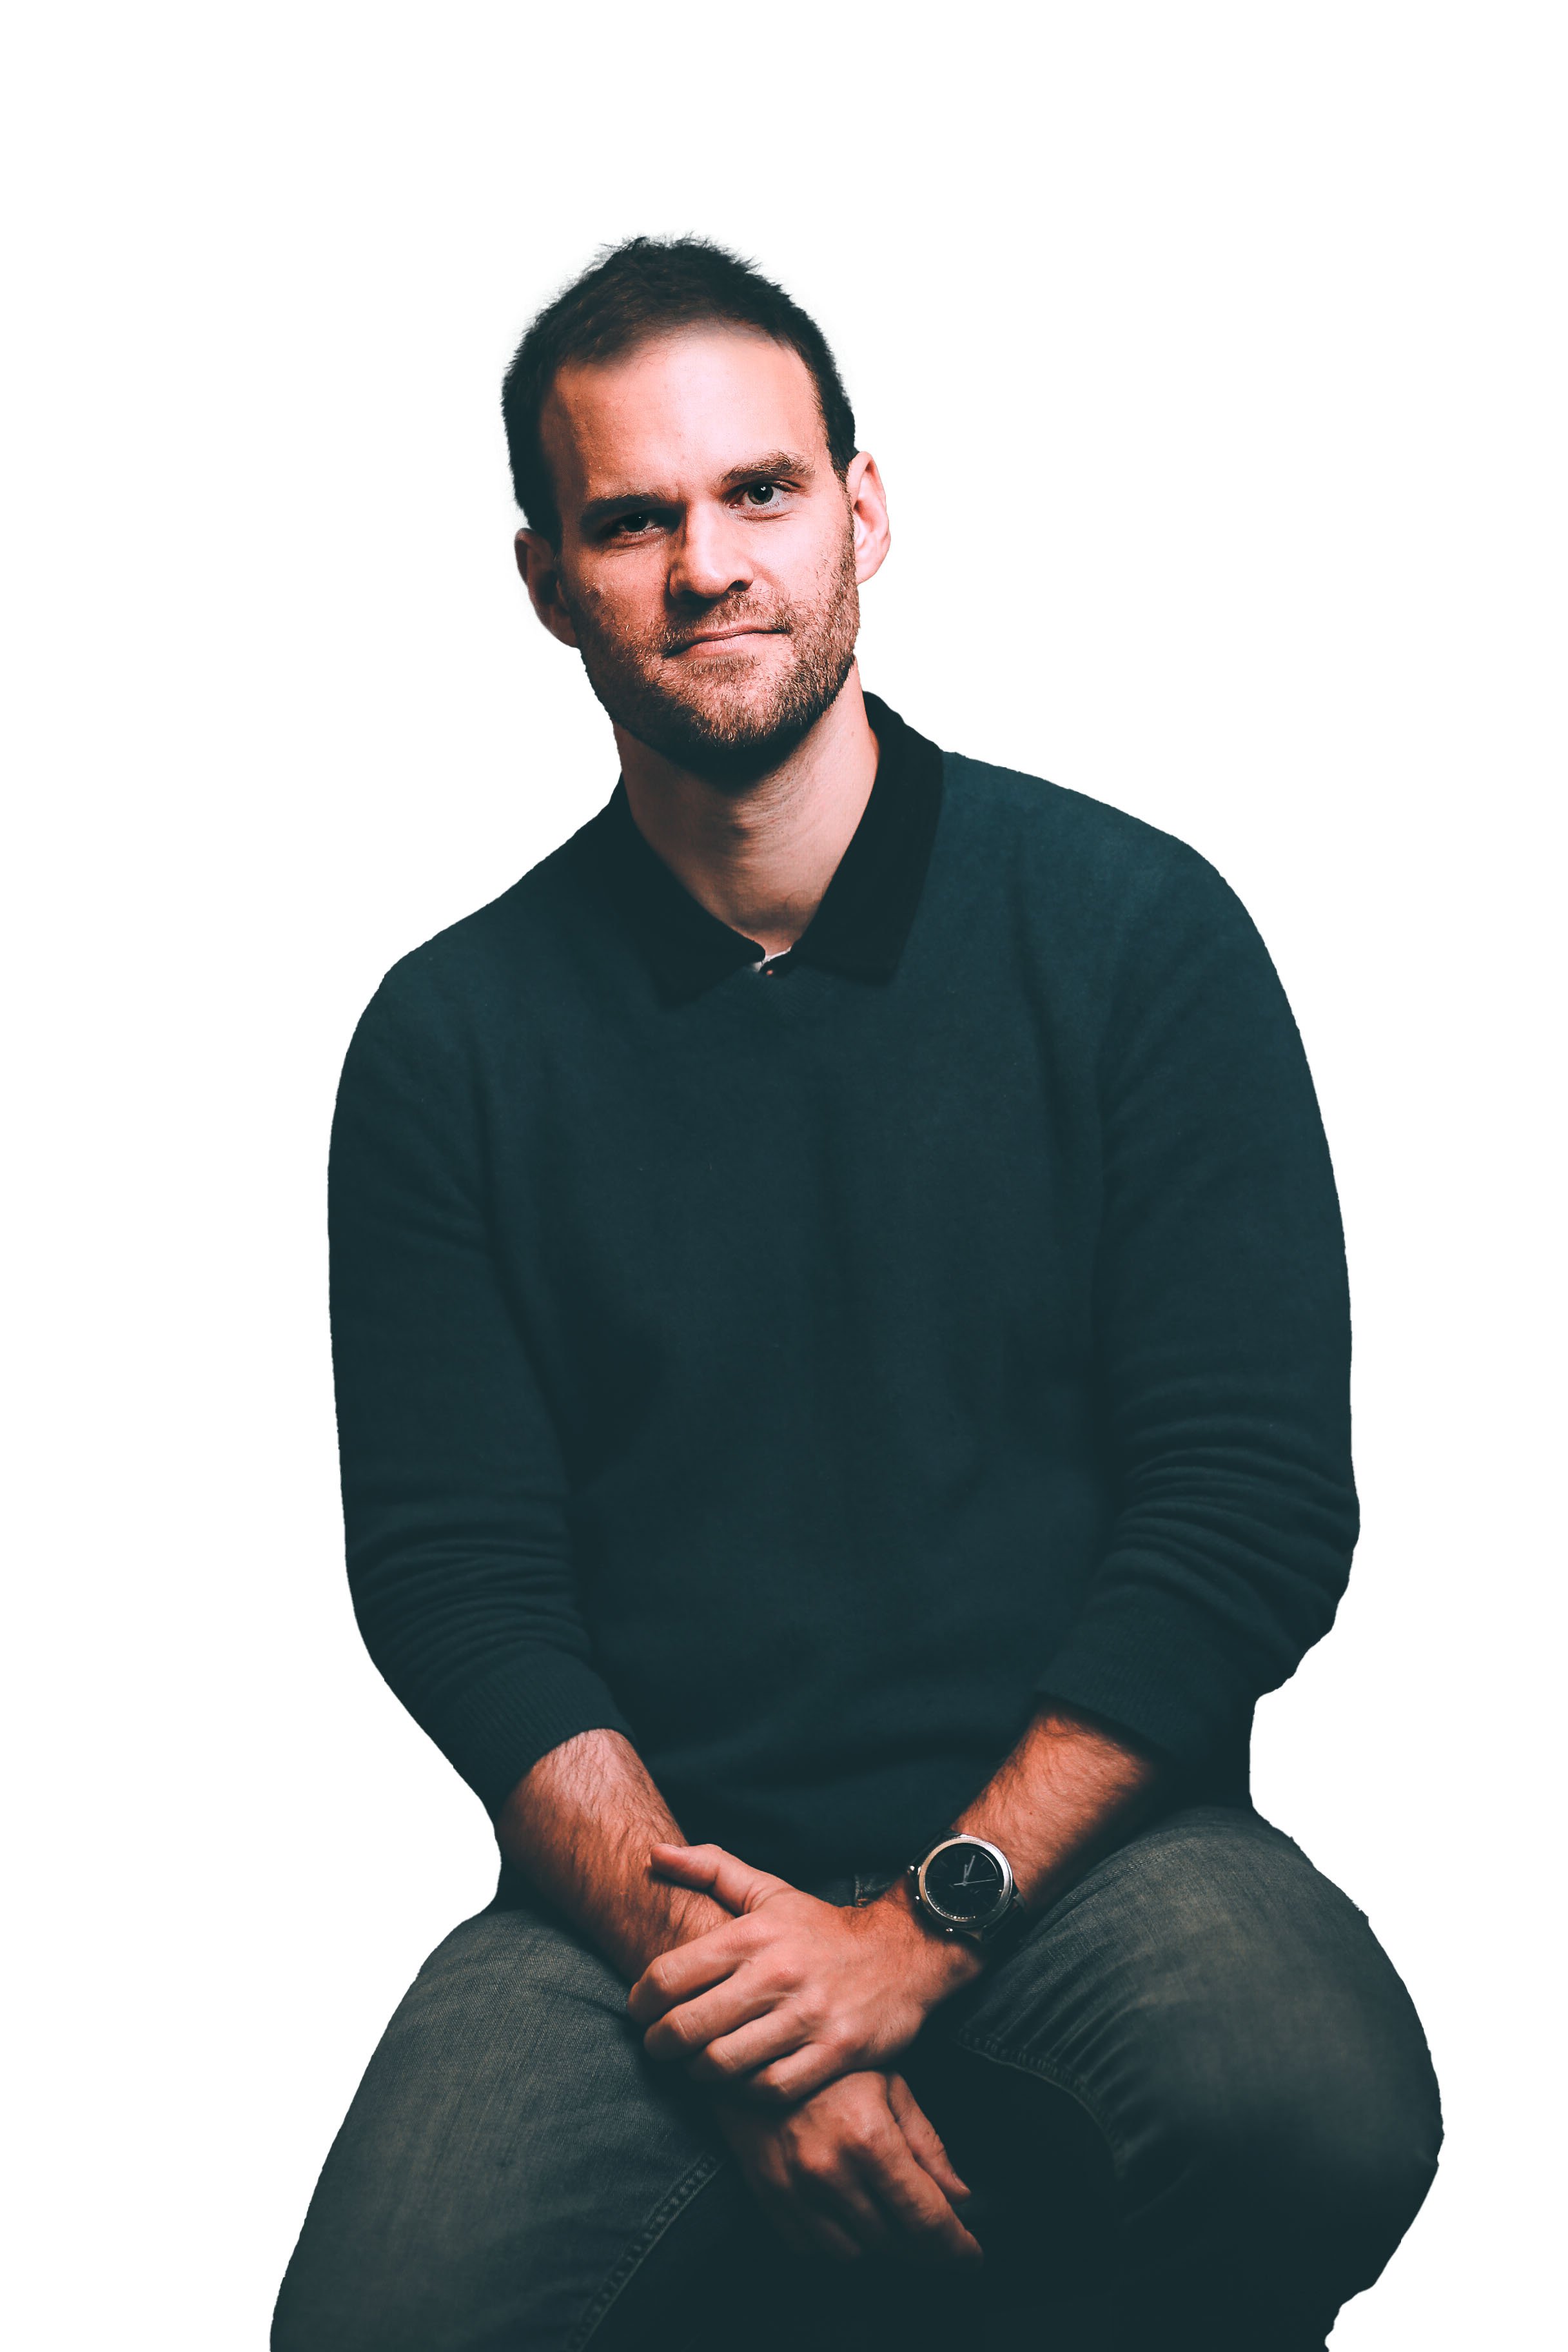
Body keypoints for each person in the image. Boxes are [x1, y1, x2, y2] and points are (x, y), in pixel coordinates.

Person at [272, 237, 1441, 2351]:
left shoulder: (1136, 937)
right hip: (646, 1895)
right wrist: (737, 2001)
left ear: (864, 512)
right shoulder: (449, 1043)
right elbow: (458, 1583)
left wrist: (916, 1932)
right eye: (633, 519)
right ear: (547, 582)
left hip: (1088, 1857)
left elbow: (1250, 1508)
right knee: (387, 2324)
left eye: (762, 492)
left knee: (1308, 2102)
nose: (709, 565)